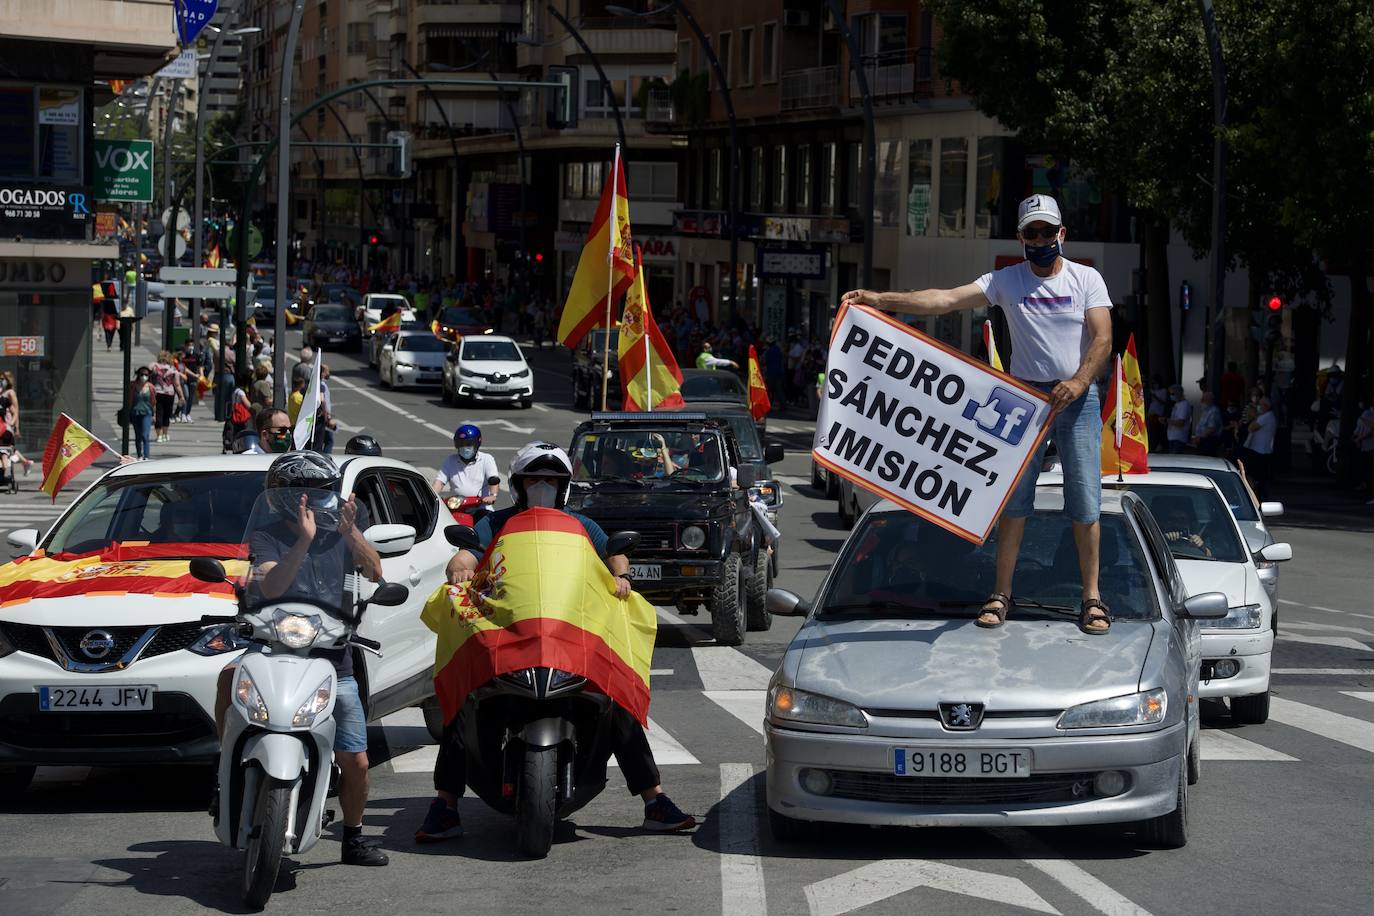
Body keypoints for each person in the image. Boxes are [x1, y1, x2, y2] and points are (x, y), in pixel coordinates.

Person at [841, 193, 1114, 635]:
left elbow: (1102, 338)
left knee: (1085, 502)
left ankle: (1092, 598)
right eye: (1032, 232)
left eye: (1048, 231)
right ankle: (1001, 593)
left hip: (1078, 399)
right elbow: (944, 300)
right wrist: (880, 298)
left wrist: (1080, 381)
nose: (1041, 239)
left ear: (1062, 235)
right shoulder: (1007, 280)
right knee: (1014, 501)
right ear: (1022, 238)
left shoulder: (1087, 280)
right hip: (1025, 401)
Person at [416, 443, 695, 842]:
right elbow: (467, 555)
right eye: (534, 478)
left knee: (615, 701)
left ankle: (656, 801)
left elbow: (613, 555)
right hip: (508, 638)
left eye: (551, 480)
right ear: (519, 484)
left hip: (568, 640)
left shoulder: (581, 525)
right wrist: (460, 569)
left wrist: (619, 576)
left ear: (564, 486)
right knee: (466, 700)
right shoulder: (493, 524)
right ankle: (445, 804)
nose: (542, 485)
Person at [221, 452, 389, 866]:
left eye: (316, 493)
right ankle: (224, 766)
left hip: (334, 659)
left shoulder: (345, 530)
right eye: (297, 493)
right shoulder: (266, 535)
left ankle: (353, 836)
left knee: (357, 759)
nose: (307, 501)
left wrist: (351, 533)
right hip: (274, 648)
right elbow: (274, 586)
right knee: (229, 676)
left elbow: (374, 572)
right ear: (278, 498)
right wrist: (304, 541)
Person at [432, 423, 500, 511]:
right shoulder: (450, 460)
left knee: (488, 524)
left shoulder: (487, 459)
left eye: (469, 444)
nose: (465, 448)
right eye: (461, 444)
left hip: (482, 508)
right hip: (456, 507)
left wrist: (492, 496)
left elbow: (493, 479)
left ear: (477, 444)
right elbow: (440, 482)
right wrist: (432, 495)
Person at [1241, 396, 1278, 502]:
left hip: (1259, 451)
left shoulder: (1265, 417)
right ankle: (1260, 497)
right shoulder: (1268, 416)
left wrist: (1255, 417)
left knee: (1257, 477)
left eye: (1260, 405)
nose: (1258, 407)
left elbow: (1251, 427)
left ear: (1265, 406)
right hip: (1260, 450)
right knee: (1260, 477)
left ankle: (1258, 498)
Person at [128, 366, 155, 460]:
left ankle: (146, 456)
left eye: (146, 375)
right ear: (138, 375)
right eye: (142, 374)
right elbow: (129, 399)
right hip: (135, 413)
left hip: (147, 413)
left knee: (145, 435)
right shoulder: (133, 386)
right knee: (138, 435)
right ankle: (139, 454)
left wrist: (153, 414)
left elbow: (153, 402)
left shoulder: (151, 387)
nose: (144, 376)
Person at [1191, 390, 1223, 456]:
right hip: (1202, 441)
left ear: (1209, 400)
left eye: (1204, 399)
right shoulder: (1205, 411)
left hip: (1209, 441)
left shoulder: (1214, 411)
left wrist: (1199, 437)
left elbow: (1212, 428)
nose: (1201, 400)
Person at [1166, 384, 1193, 454]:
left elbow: (1181, 423)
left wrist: (1167, 420)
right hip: (1172, 437)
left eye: (1173, 393)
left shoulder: (1184, 405)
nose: (1171, 396)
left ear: (1178, 393)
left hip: (1178, 438)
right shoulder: (1177, 404)